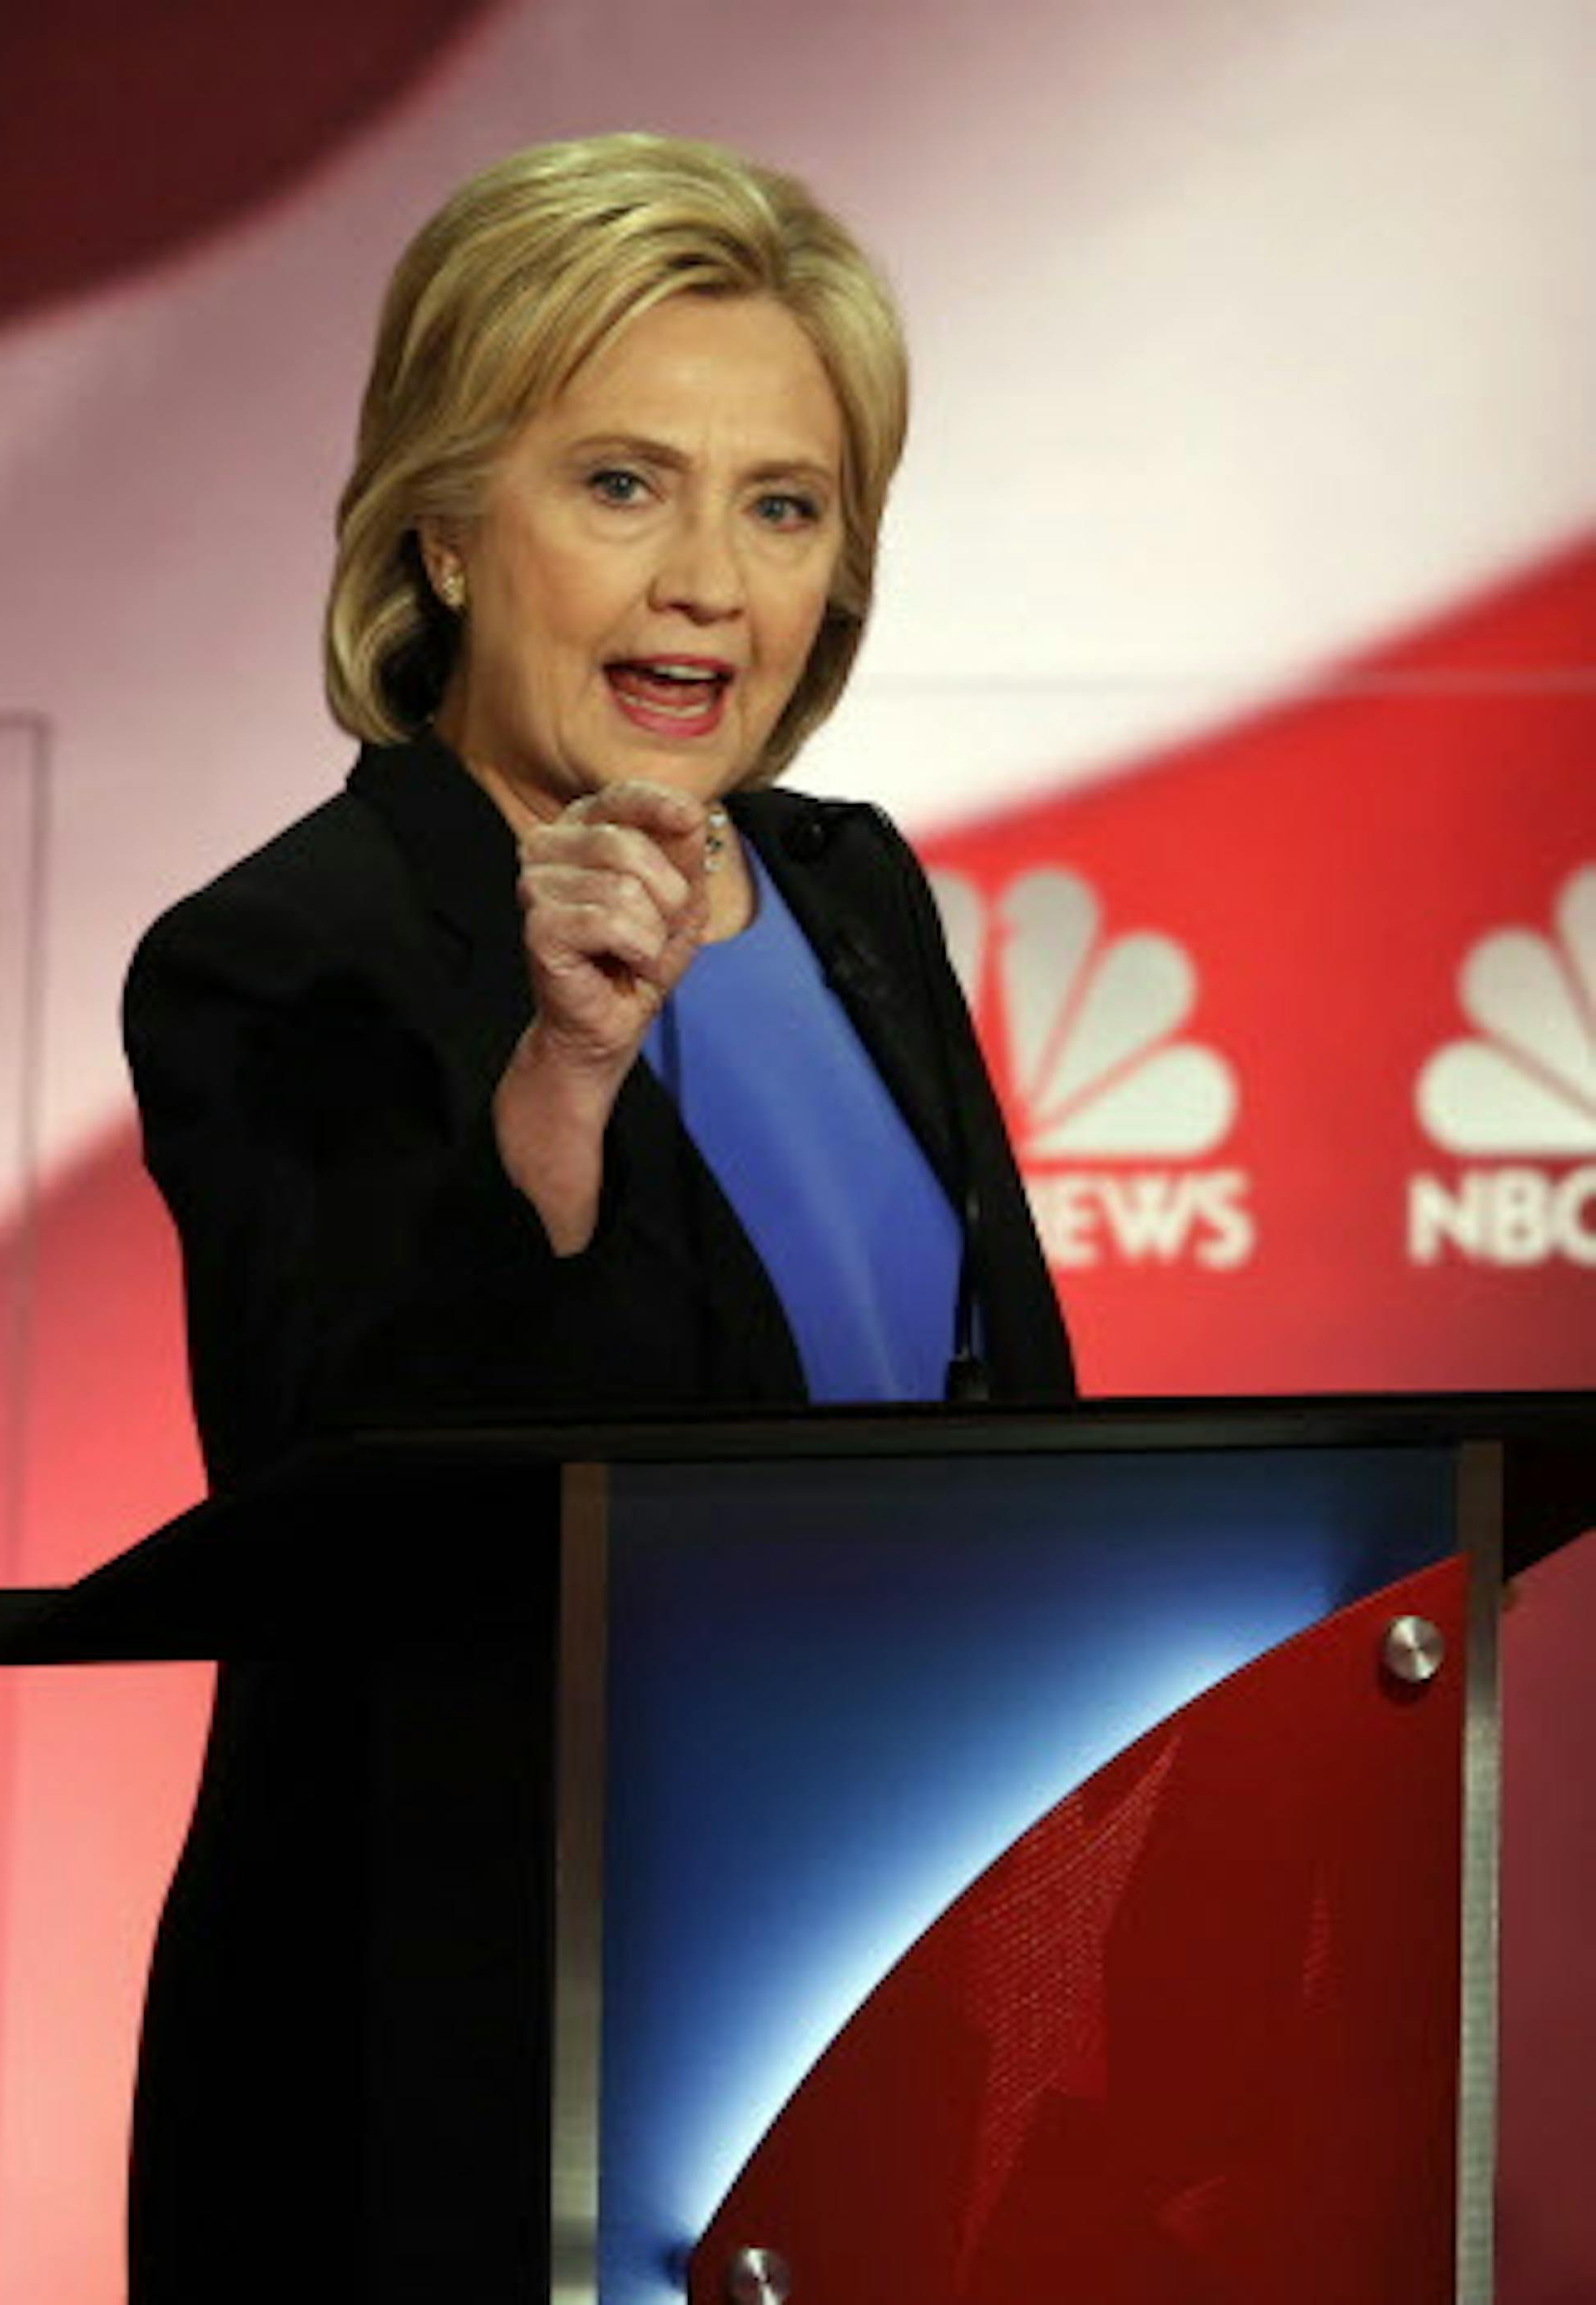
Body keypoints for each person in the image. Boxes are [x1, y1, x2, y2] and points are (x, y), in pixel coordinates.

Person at [120, 132, 1073, 2298]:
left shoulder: (851, 899)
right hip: (469, 2081)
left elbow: (1013, 1433)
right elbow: (348, 1460)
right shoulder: (288, 950)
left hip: (866, 2017)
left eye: (784, 503)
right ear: (446, 525)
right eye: (622, 483)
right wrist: (562, 1068)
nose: (708, 585)